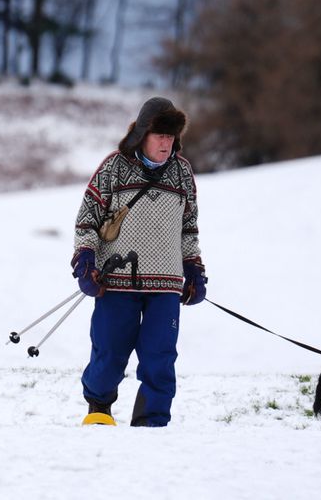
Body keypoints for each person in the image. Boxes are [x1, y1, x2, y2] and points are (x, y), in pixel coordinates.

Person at [71, 97, 207, 427]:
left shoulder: (182, 173)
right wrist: (85, 259)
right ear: (143, 133)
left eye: (171, 136)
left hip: (166, 282)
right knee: (109, 352)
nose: (166, 142)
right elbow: (88, 218)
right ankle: (99, 411)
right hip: (117, 278)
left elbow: (188, 228)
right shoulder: (113, 168)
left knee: (160, 357)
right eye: (159, 134)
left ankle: (152, 423)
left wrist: (194, 269)